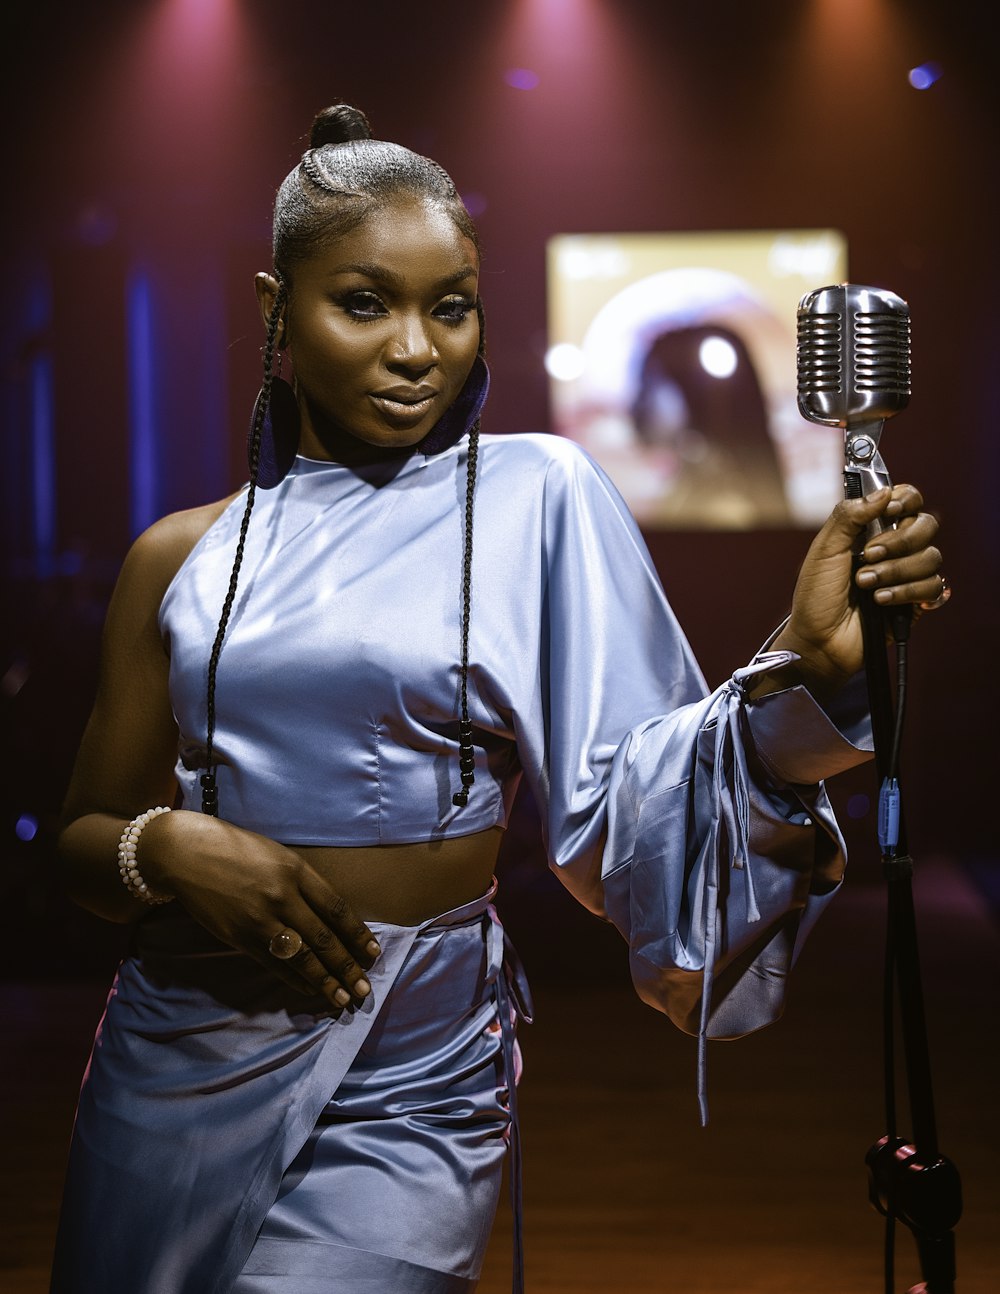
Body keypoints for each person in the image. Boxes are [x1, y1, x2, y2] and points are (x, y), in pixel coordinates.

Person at [49, 103, 946, 1294]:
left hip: (412, 1070)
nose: (417, 347)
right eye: (364, 301)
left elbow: (642, 783)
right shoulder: (179, 555)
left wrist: (809, 660)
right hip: (176, 1052)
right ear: (275, 308)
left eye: (450, 304)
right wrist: (178, 847)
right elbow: (78, 842)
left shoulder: (535, 493)